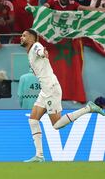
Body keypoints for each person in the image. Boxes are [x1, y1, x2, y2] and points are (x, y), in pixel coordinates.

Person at [20, 29, 105, 162]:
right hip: (45, 90)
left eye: (24, 35)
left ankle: (89, 108)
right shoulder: (30, 51)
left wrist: (43, 53)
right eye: (22, 35)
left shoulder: (36, 46)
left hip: (51, 89)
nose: (21, 37)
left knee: (56, 125)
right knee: (33, 120)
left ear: (32, 38)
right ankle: (39, 156)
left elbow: (41, 51)